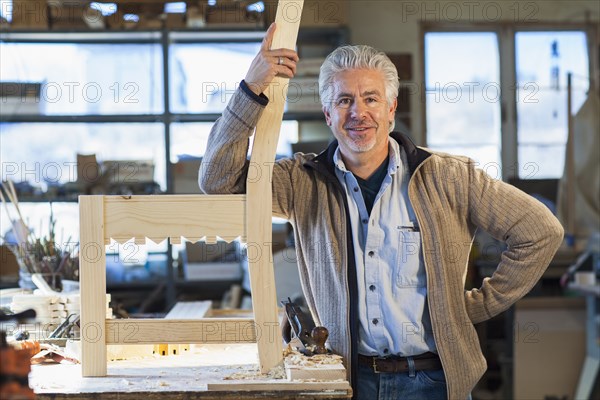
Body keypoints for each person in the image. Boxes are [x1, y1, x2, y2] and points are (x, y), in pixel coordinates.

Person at [199, 23, 564, 400]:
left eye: (371, 99)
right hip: (349, 380)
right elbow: (217, 179)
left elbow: (540, 231)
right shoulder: (302, 182)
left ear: (391, 109)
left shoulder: (449, 177)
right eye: (344, 101)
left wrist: (475, 305)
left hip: (434, 382)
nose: (359, 113)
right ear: (327, 114)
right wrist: (251, 88)